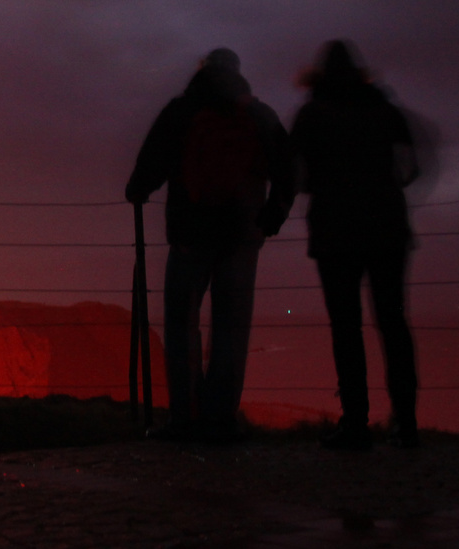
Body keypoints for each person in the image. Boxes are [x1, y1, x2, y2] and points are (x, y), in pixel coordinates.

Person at [126, 48, 293, 443]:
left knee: (182, 324)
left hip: (190, 231)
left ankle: (185, 417)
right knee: (231, 328)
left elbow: (152, 162)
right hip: (242, 235)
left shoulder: (182, 111)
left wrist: (138, 190)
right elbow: (288, 168)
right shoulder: (258, 114)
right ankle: (221, 419)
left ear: (201, 72)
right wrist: (273, 214)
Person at [291, 40, 420, 450]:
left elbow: (298, 174)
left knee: (345, 327)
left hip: (334, 234)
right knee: (393, 324)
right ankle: (406, 420)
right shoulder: (386, 112)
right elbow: (410, 169)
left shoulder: (312, 115)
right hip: (386, 230)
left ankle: (355, 421)